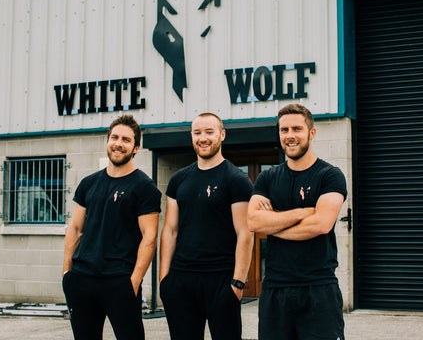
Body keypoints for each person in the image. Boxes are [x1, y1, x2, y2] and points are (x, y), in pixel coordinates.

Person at [247, 104, 348, 340]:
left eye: (296, 129)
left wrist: (273, 224)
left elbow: (321, 225)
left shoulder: (329, 175)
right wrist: (301, 213)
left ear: (311, 133)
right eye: (284, 130)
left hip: (318, 288)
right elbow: (253, 222)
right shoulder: (268, 178)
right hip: (275, 290)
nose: (290, 135)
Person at [62, 114, 161, 340]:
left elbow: (149, 238)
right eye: (114, 137)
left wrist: (134, 282)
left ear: (136, 148)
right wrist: (67, 273)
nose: (119, 143)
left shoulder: (144, 187)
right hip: (82, 280)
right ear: (107, 141)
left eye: (126, 140)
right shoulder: (89, 183)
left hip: (120, 282)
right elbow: (76, 229)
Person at [159, 112, 254, 340]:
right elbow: (170, 230)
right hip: (181, 280)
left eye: (209, 132)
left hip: (221, 280)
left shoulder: (236, 180)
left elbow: (245, 233)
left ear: (222, 135)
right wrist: (164, 280)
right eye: (197, 133)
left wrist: (238, 283)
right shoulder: (178, 180)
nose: (203, 138)